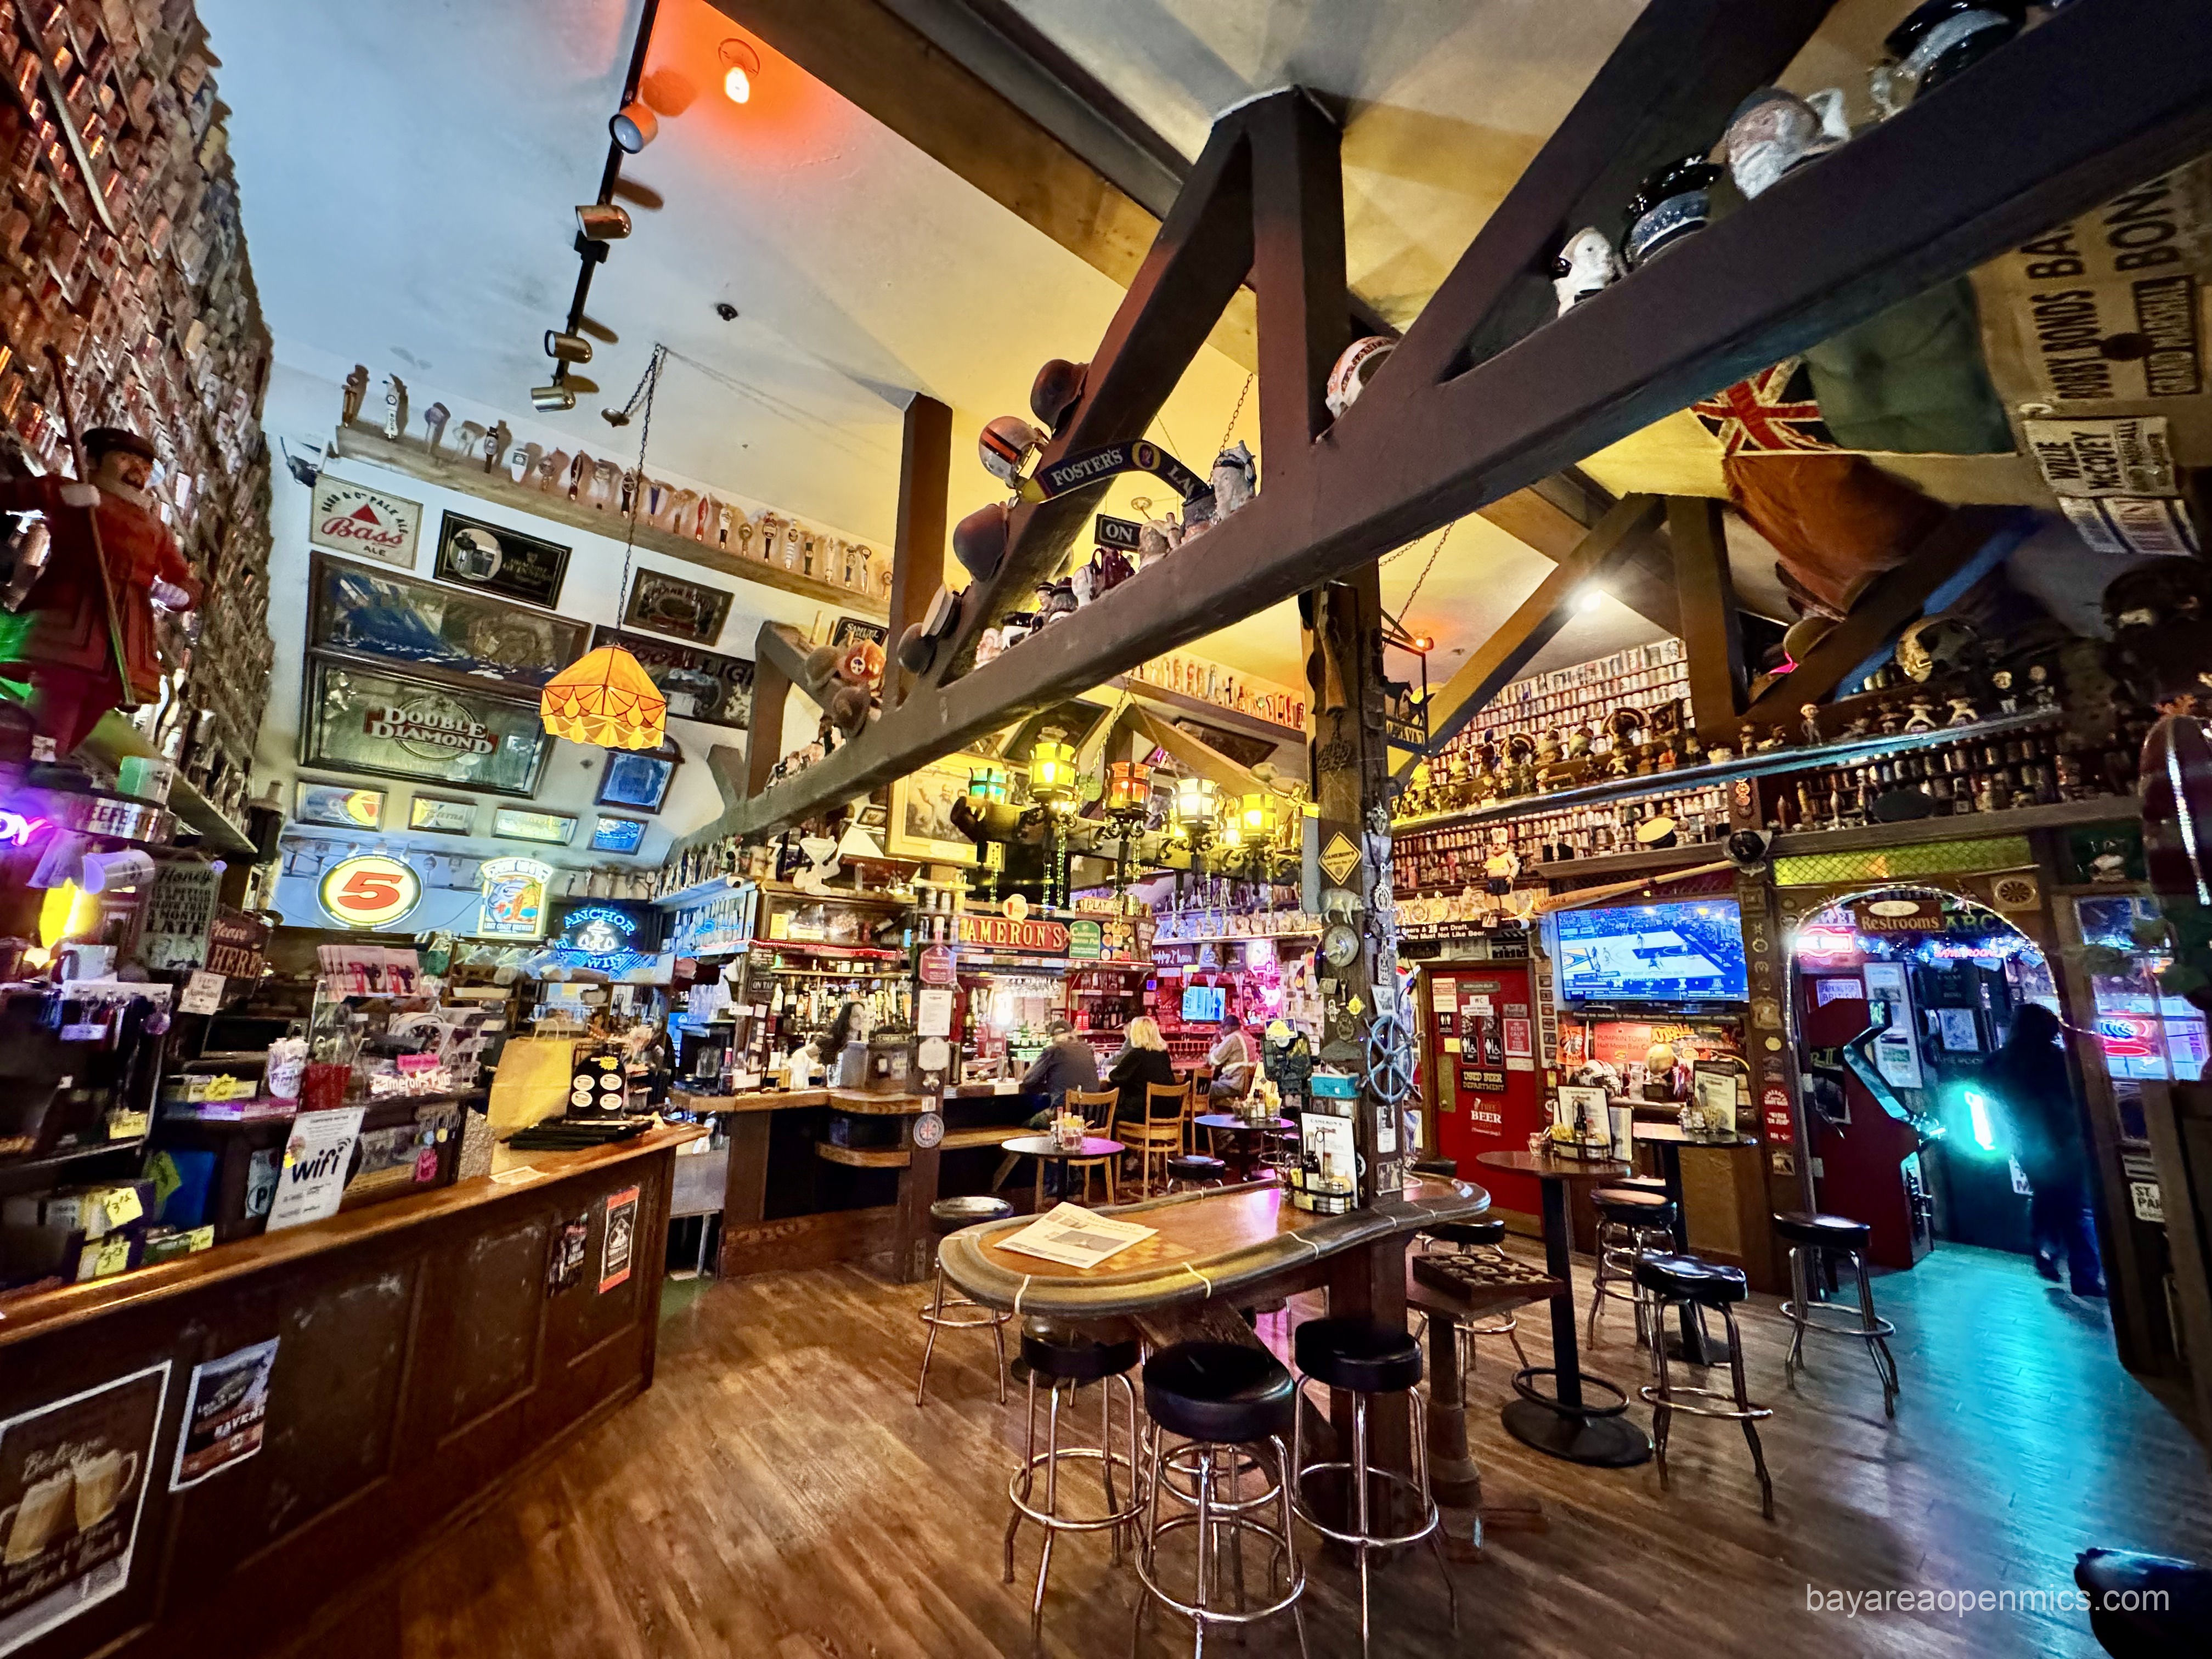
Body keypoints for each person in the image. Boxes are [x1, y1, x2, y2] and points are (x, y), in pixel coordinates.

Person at [1986, 1002, 2105, 1296]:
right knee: (2079, 1209)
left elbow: (1989, 1095)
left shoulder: (1997, 1062)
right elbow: (2078, 1098)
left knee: (2047, 1197)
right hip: (2065, 1142)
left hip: (2026, 1144)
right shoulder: (2059, 1061)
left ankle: (2045, 1250)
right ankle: (2084, 1277)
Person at [1104, 1015, 1178, 1128]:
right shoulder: (1163, 1055)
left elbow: (1114, 1076)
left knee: (1108, 1107)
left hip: (1143, 1113)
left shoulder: (1137, 1054)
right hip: (1168, 1111)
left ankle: (1120, 1144)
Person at [1206, 1011, 1254, 1103]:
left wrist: (1216, 1044)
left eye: (1223, 1028)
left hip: (1233, 1086)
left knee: (1203, 1088)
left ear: (1228, 1027)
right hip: (1246, 1087)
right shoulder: (1248, 1037)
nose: (1222, 1031)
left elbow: (1213, 1060)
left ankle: (1199, 1116)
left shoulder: (1232, 1038)